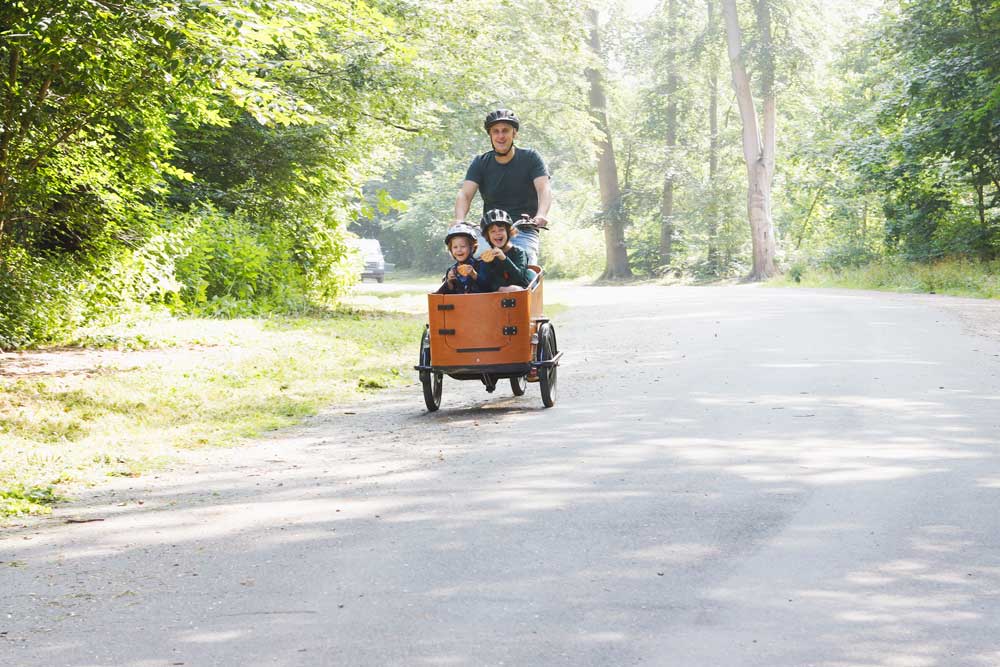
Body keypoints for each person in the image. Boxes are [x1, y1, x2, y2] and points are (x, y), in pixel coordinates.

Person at [454, 108, 552, 266]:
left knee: (526, 266)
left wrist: (541, 214)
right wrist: (459, 219)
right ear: (490, 135)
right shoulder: (480, 162)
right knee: (469, 265)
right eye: (495, 131)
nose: (500, 136)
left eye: (505, 131)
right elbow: (464, 194)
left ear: (514, 133)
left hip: (523, 229)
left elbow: (544, 188)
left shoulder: (531, 158)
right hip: (491, 233)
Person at [478, 209, 536, 293]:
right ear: (488, 236)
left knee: (514, 289)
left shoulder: (519, 252)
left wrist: (504, 258)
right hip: (497, 298)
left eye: (501, 229)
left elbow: (518, 277)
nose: (497, 233)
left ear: (509, 232)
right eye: (493, 231)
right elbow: (486, 283)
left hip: (521, 293)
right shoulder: (489, 257)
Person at [440, 223, 489, 294]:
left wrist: (474, 275)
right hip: (459, 304)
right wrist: (449, 282)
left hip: (479, 303)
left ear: (472, 248)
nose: (459, 250)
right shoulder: (451, 270)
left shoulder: (481, 265)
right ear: (451, 250)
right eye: (455, 247)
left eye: (463, 246)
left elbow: (488, 288)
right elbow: (446, 295)